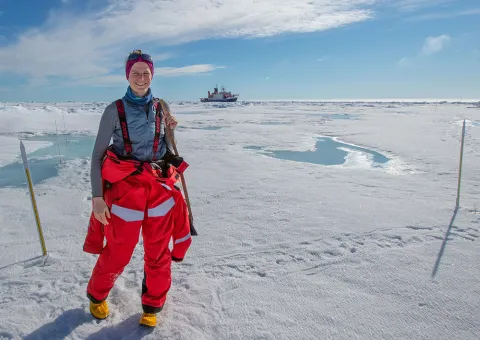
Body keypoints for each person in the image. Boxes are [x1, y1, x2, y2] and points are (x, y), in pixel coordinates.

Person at [82, 49, 192, 328]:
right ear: (127, 75)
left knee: (157, 252)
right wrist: (97, 197)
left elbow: (165, 148)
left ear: (152, 74)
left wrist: (172, 130)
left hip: (157, 187)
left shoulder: (162, 106)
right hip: (125, 191)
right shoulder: (114, 110)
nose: (141, 78)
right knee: (119, 251)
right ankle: (96, 296)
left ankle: (153, 304)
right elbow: (97, 156)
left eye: (146, 73)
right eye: (135, 73)